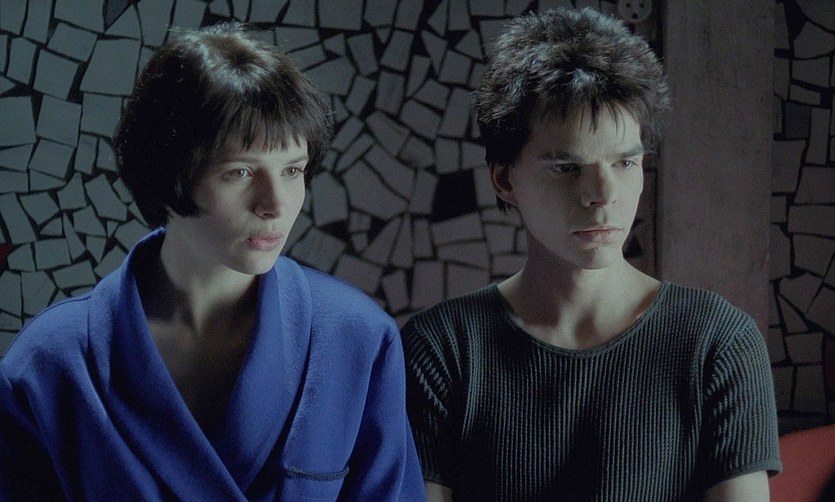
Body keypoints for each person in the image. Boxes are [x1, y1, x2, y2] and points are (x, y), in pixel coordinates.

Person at [0, 22, 425, 501]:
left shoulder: (357, 338)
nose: (275, 204)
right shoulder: (50, 363)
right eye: (240, 172)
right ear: (170, 172)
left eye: (292, 170)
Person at [401, 7, 781, 502]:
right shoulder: (443, 347)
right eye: (566, 167)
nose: (603, 194)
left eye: (624, 163)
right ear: (504, 179)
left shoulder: (717, 342)